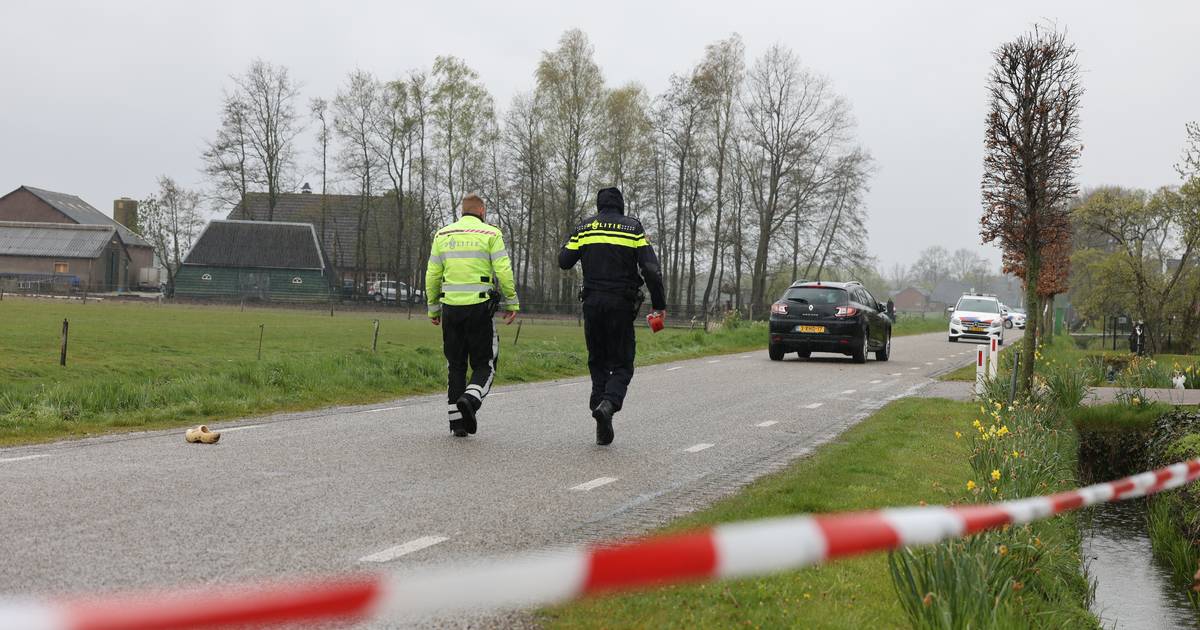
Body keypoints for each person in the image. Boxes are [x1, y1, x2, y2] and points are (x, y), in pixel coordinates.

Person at [558, 187, 666, 445]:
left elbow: (564, 260)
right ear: (621, 205)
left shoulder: (585, 228)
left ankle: (600, 409)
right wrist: (659, 304)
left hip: (592, 304)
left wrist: (578, 239)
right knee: (622, 363)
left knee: (597, 360)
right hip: (621, 304)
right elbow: (651, 269)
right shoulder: (633, 228)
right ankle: (608, 405)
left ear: (599, 205)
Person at [426, 194, 519, 437]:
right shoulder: (490, 234)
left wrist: (433, 307)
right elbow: (503, 270)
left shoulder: (442, 235)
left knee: (455, 366)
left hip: (450, 309)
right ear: (481, 210)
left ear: (462, 210)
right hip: (479, 308)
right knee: (485, 364)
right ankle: (471, 399)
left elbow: (433, 274)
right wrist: (512, 301)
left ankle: (457, 424)